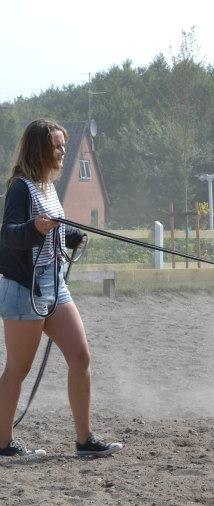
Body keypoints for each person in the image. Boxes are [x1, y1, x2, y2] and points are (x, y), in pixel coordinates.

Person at [0, 118, 122, 460]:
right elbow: (9, 234)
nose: (63, 151)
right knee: (18, 369)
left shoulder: (48, 187)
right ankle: (3, 444)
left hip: (54, 285)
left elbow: (52, 229)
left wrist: (72, 236)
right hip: (25, 289)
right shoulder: (21, 187)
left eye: (63, 145)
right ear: (39, 148)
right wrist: (35, 228)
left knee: (81, 356)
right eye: (57, 145)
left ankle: (85, 441)